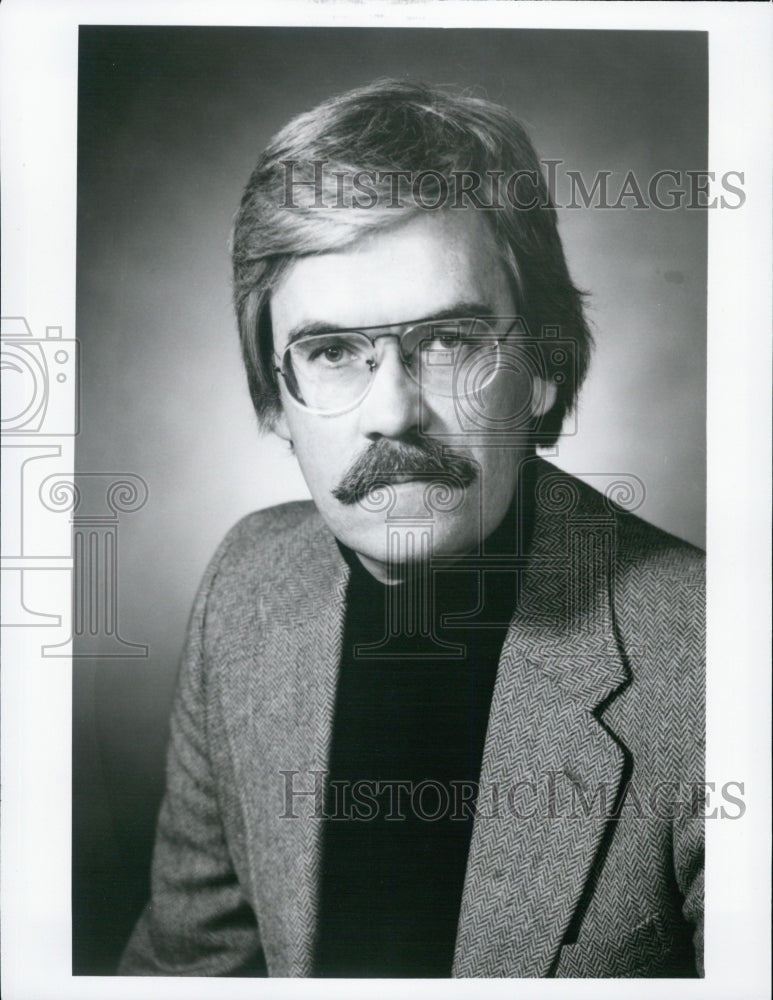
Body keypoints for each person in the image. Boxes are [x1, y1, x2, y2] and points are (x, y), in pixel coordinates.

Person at [119, 79, 704, 978]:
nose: (392, 412)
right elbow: (186, 974)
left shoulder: (720, 662)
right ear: (275, 401)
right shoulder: (247, 584)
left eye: (448, 342)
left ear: (543, 371)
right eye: (330, 352)